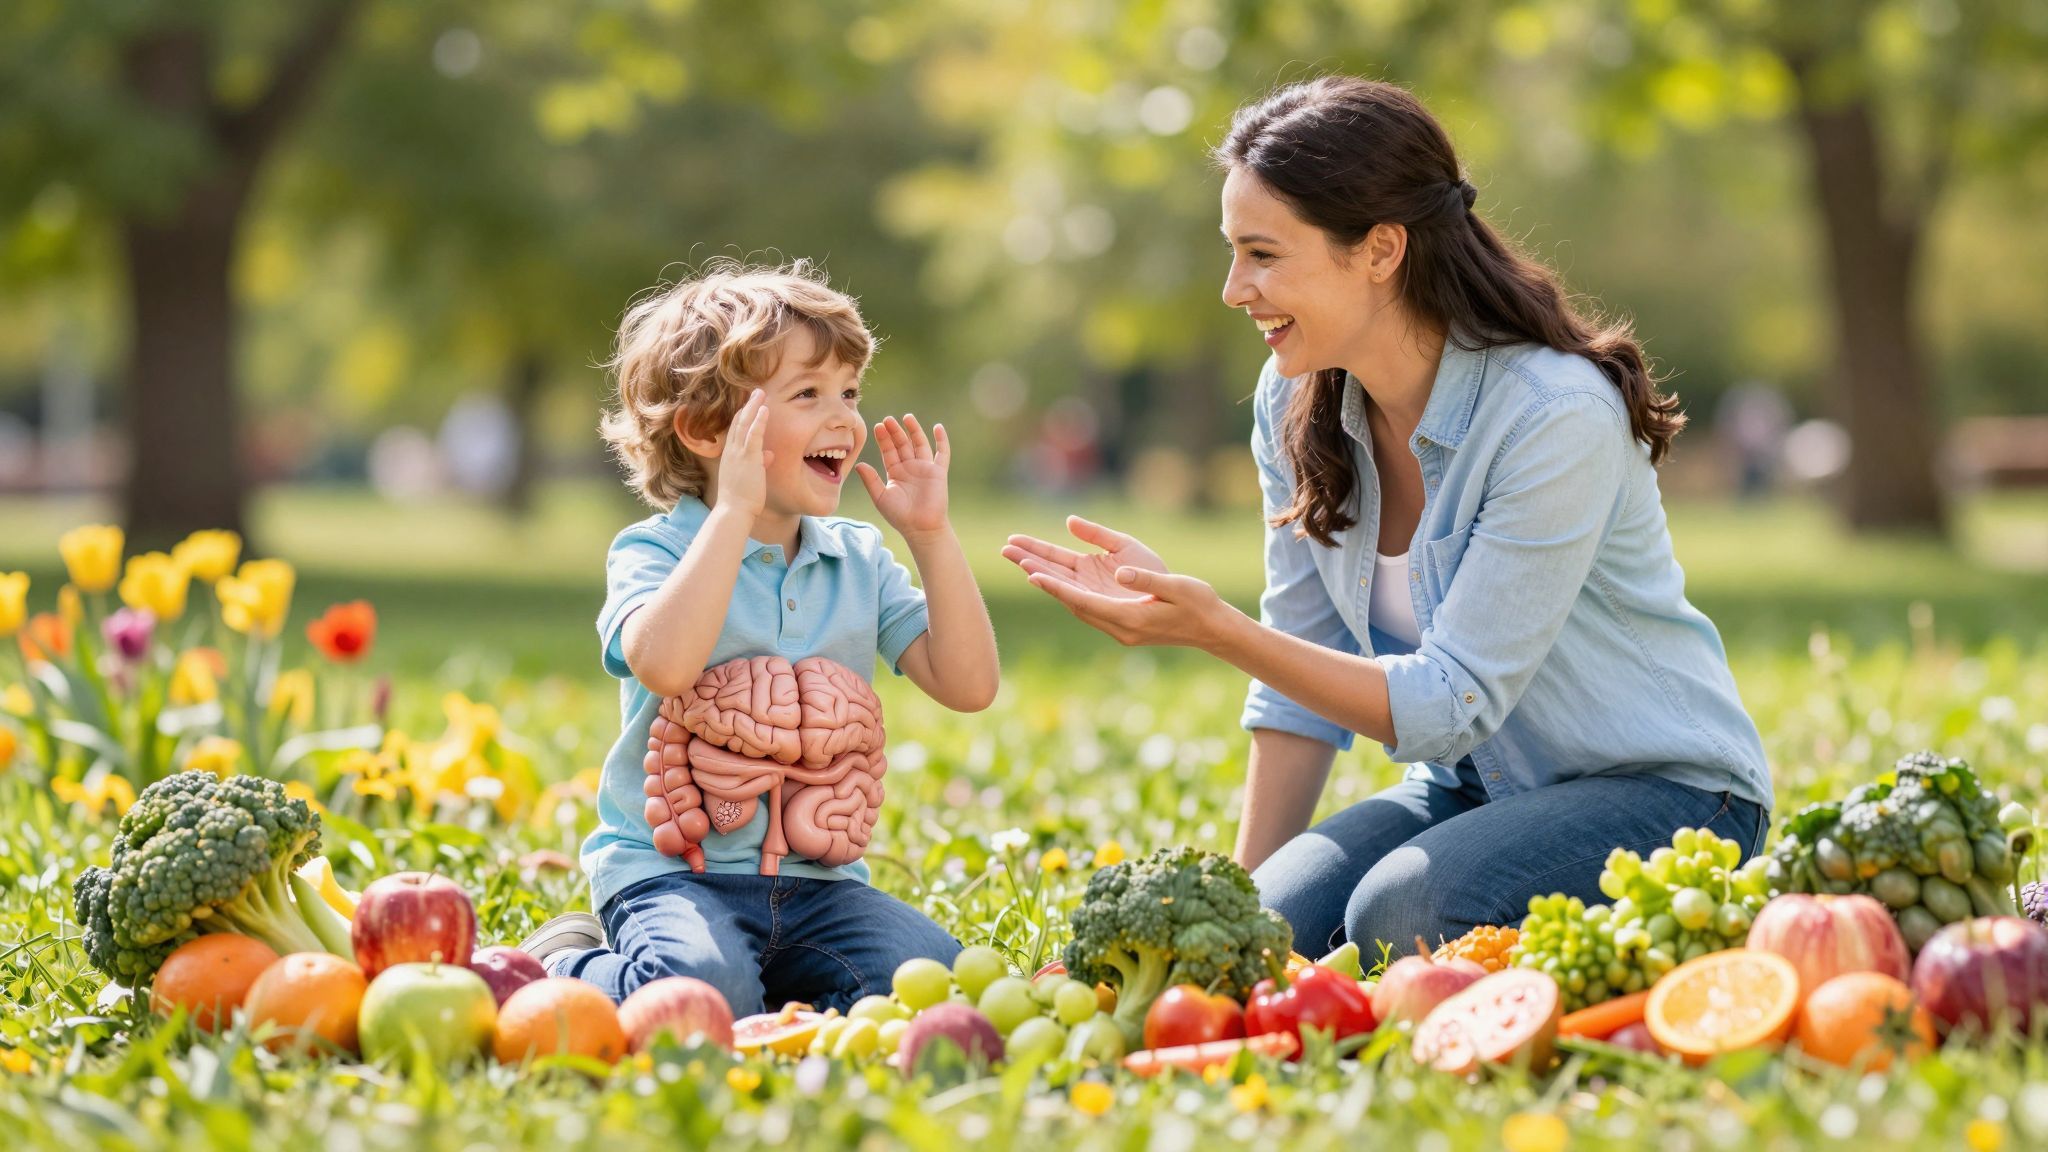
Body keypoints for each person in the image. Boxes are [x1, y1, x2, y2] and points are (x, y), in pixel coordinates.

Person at [1003, 77, 1772, 957]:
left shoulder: (1552, 414)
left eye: (1262, 254)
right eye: (1233, 253)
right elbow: (1300, 677)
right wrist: (1228, 929)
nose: (1234, 288)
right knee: (1277, 924)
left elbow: (1451, 705)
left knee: (1400, 913)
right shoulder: (1292, 402)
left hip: (1667, 795)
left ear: (1379, 249)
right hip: (1474, 790)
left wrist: (1216, 629)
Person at [521, 260, 1000, 1014]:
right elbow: (664, 665)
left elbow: (969, 686)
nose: (844, 419)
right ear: (708, 430)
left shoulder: (858, 559)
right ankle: (563, 962)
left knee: (937, 983)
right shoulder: (655, 553)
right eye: (808, 394)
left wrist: (931, 536)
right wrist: (733, 515)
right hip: (672, 878)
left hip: (821, 888)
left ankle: (769, 984)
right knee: (701, 993)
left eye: (850, 392)